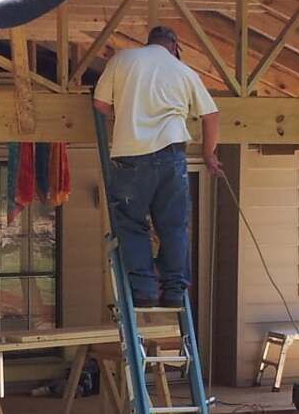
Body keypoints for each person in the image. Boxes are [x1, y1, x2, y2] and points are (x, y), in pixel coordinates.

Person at [92, 25, 223, 307]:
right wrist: (209, 154)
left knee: (130, 223)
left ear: (148, 42)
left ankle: (144, 290)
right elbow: (211, 115)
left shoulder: (123, 59)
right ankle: (174, 290)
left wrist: (127, 112)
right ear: (174, 47)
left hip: (132, 157)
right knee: (174, 226)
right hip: (172, 156)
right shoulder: (184, 72)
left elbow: (100, 105)